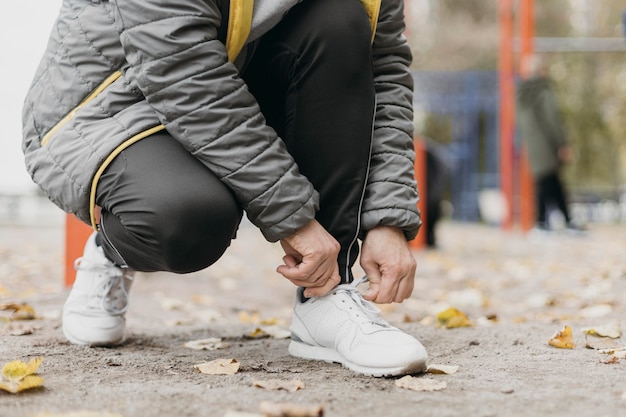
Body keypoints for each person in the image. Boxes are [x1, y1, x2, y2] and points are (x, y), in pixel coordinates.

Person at [22, 0, 428, 377]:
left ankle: (325, 298)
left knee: (342, 15)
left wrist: (387, 220)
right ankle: (110, 252)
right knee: (187, 219)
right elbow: (182, 69)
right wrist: (293, 218)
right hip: (115, 103)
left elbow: (381, 69)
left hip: (238, 84)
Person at [516, 55, 583, 233]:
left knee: (549, 181)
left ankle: (556, 222)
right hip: (547, 144)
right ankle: (544, 223)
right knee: (548, 182)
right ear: (542, 70)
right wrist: (562, 144)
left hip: (533, 144)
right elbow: (552, 119)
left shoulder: (522, 92)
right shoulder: (543, 91)